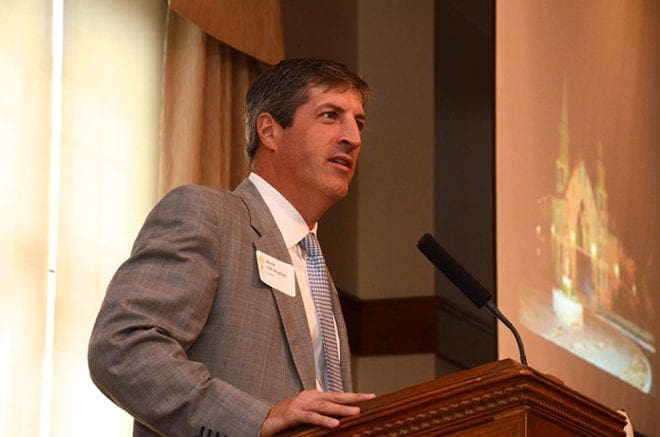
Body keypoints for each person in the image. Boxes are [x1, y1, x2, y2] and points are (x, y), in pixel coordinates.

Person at [88, 58, 376, 436]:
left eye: (358, 122)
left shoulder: (314, 264)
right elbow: (122, 348)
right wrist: (255, 420)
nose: (352, 137)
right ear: (270, 132)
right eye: (329, 116)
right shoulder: (208, 215)